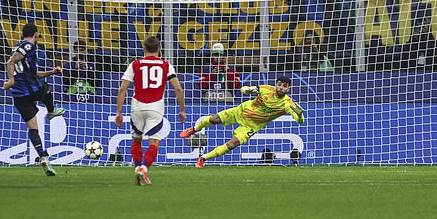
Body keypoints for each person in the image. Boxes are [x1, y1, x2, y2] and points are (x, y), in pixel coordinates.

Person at [180, 76, 305, 168]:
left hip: (251, 126)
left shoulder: (288, 104)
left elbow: (300, 121)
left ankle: (203, 158)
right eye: (279, 84)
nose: (281, 88)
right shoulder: (266, 89)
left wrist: (299, 114)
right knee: (214, 119)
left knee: (231, 144)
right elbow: (245, 89)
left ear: (288, 89)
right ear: (276, 84)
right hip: (241, 111)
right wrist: (247, 90)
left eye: (284, 86)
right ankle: (194, 129)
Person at [114, 36, 186, 185]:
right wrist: (182, 110)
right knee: (154, 143)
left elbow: (122, 89)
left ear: (144, 49)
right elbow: (178, 88)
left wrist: (119, 113)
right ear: (159, 49)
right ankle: (144, 168)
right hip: (155, 108)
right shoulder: (166, 65)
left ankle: (137, 169)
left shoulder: (135, 64)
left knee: (136, 140)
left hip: (137, 107)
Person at [2, 23, 66, 177]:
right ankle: (51, 111)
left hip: (19, 96)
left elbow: (33, 73)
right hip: (31, 90)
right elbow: (10, 62)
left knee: (33, 128)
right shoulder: (28, 46)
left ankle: (43, 157)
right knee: (46, 89)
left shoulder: (19, 48)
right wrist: (10, 80)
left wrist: (52, 71)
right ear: (36, 34)